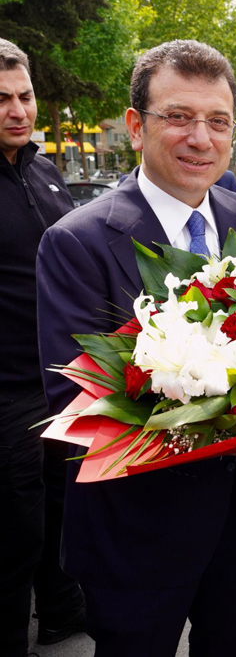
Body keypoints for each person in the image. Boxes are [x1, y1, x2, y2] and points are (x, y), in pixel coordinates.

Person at [35, 40, 236, 657]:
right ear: (136, 126)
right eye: (179, 117)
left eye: (219, 122)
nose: (201, 138)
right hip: (134, 531)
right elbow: (77, 405)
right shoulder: (76, 242)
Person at [0, 38, 85, 657]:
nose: (17, 110)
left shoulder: (44, 168)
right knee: (14, 531)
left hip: (63, 380)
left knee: (66, 506)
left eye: (25, 96)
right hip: (7, 394)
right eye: (2, 100)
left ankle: (60, 610)